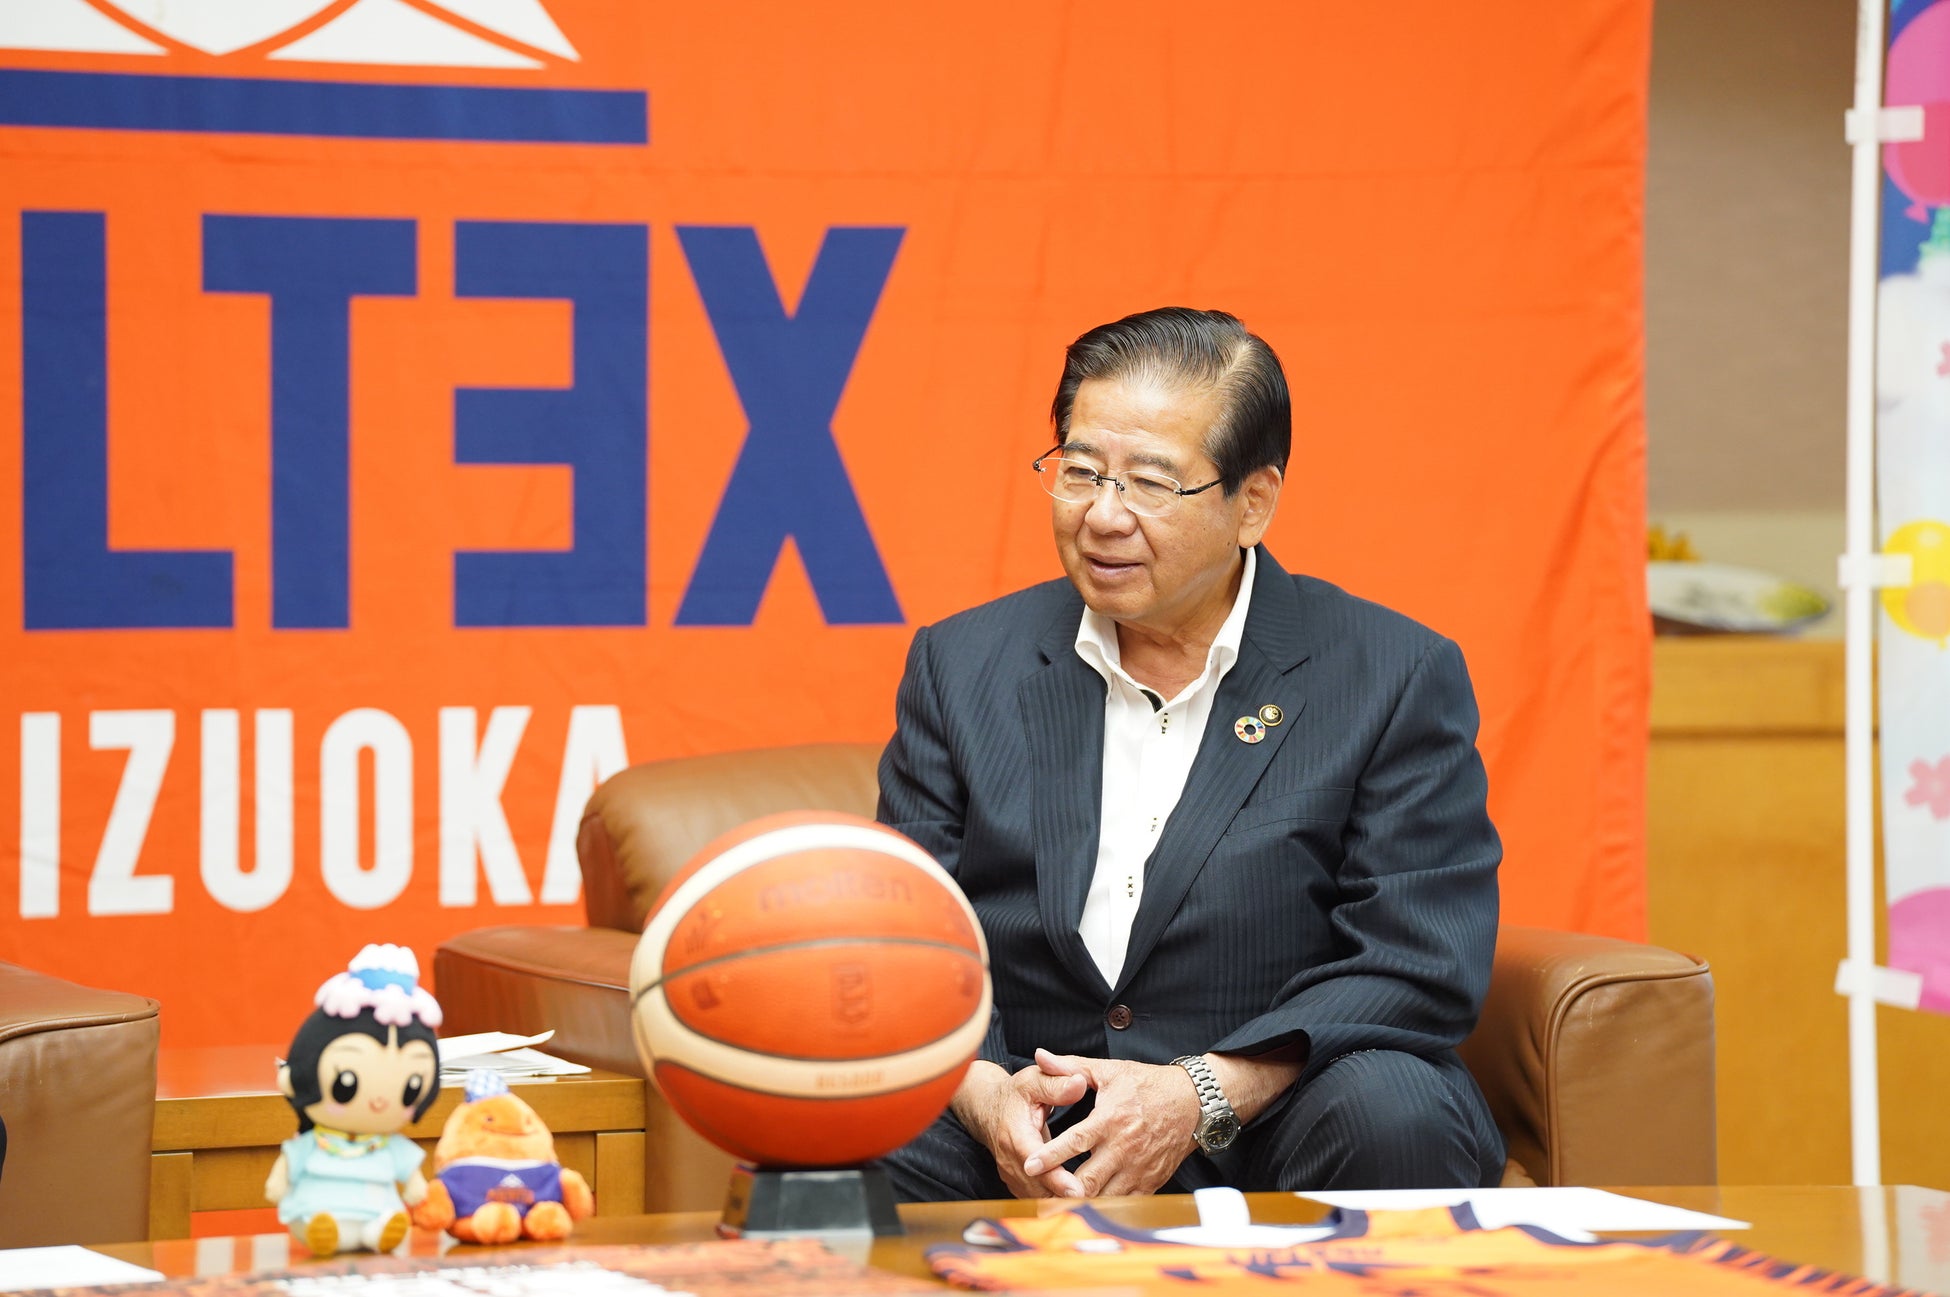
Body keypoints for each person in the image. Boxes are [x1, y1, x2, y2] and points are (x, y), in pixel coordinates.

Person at [876, 307, 1504, 1200]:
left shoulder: (1390, 674)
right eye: (1080, 472)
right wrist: (984, 1095)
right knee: (832, 1134)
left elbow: (1417, 960)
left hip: (1272, 1111)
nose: (1103, 515)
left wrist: (1197, 1091)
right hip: (1025, 1117)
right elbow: (906, 935)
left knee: (1396, 1109)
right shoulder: (962, 664)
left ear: (1254, 502)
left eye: (1150, 483)